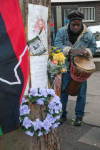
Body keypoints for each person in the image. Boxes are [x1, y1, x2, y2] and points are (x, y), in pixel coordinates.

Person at [54, 10, 96, 126]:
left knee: (81, 94)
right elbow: (56, 45)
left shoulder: (88, 34)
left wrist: (87, 52)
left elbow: (93, 48)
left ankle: (79, 116)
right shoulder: (62, 31)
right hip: (65, 67)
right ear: (69, 23)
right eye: (73, 25)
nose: (76, 27)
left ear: (81, 23)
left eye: (78, 24)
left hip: (81, 69)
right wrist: (70, 50)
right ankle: (62, 115)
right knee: (63, 92)